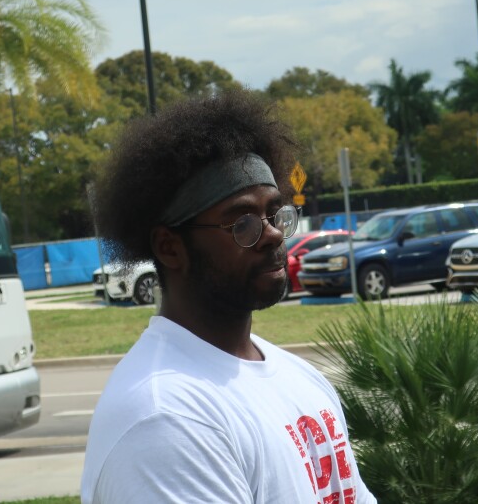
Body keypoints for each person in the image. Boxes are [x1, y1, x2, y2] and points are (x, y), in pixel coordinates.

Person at [80, 91, 375, 504]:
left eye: (275, 213)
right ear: (170, 248)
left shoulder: (302, 379)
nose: (272, 234)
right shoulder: (165, 417)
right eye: (243, 222)